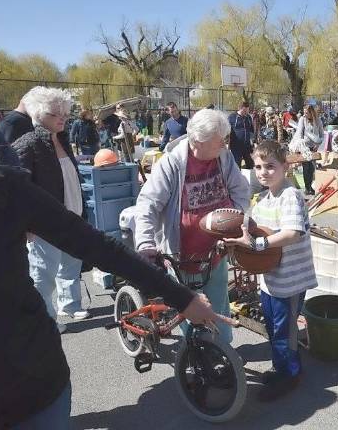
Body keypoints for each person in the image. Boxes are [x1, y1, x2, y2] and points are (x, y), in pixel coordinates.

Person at [0, 132, 234, 430]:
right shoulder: (174, 162)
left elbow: (96, 245)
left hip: (29, 380)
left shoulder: (5, 188)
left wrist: (182, 297)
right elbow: (149, 204)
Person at [134, 108, 250, 344]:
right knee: (190, 313)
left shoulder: (223, 158)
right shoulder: (171, 164)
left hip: (215, 252)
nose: (224, 145)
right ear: (198, 141)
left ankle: (223, 351)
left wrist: (235, 221)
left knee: (219, 308)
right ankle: (197, 357)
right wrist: (146, 242)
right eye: (219, 142)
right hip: (182, 256)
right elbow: (148, 205)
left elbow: (241, 190)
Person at [225, 141, 317, 402]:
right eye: (258, 167)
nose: (263, 172)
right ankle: (281, 369)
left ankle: (290, 375)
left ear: (285, 167)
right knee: (274, 329)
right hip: (270, 279)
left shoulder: (290, 195)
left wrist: (258, 244)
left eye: (270, 166)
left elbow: (292, 232)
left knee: (285, 331)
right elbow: (252, 227)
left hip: (290, 280)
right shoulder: (264, 197)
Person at [11, 87, 90, 333]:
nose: (62, 117)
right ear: (37, 113)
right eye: (55, 113)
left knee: (71, 264)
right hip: (45, 224)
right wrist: (26, 224)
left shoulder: (64, 140)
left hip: (72, 217)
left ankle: (69, 304)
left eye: (65, 112)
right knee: (43, 274)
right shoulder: (28, 144)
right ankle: (45, 319)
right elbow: (18, 189)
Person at [293, 104, 324, 195]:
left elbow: (322, 135)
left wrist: (318, 144)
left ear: (311, 112)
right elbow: (299, 133)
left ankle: (309, 186)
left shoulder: (318, 121)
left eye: (306, 113)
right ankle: (307, 188)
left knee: (312, 168)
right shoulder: (302, 119)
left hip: (314, 148)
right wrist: (300, 146)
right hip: (304, 147)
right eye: (304, 112)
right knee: (306, 168)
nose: (305, 114)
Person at [228, 101, 255, 169]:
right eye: (245, 110)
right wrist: (227, 144)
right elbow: (227, 131)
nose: (247, 112)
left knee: (250, 163)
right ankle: (236, 179)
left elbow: (251, 130)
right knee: (236, 165)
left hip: (247, 146)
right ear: (240, 108)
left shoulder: (248, 117)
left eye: (247, 110)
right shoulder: (232, 117)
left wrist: (253, 141)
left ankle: (251, 179)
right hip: (236, 146)